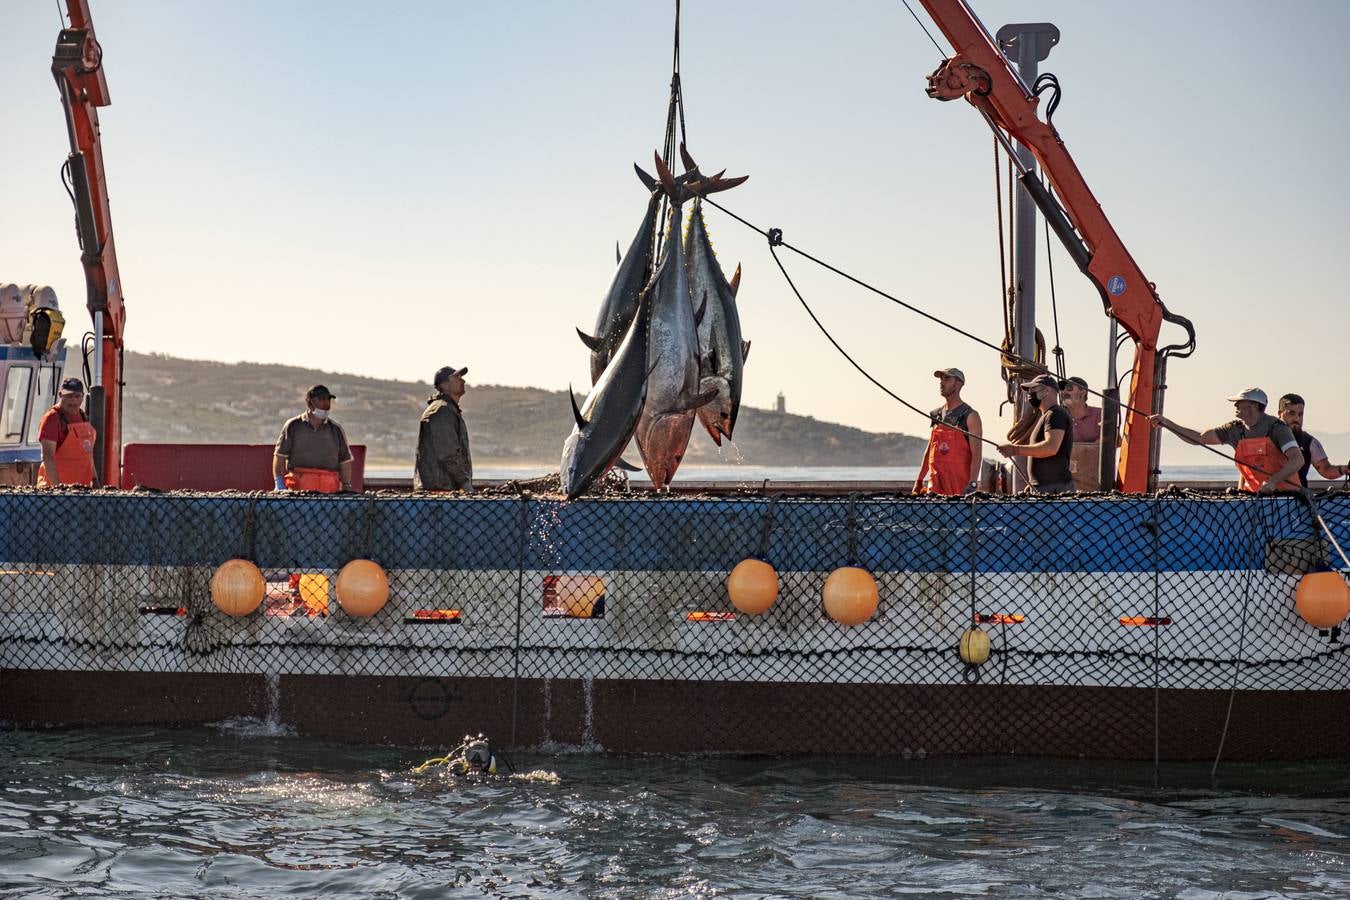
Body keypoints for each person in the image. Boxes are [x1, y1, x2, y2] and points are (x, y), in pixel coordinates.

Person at [1150, 388, 1302, 493]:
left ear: (1255, 406)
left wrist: (1272, 482)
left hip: (1286, 499)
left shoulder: (1278, 428)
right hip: (1255, 499)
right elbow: (1199, 438)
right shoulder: (1233, 429)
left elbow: (1297, 460)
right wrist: (1167, 423)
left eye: (1240, 402)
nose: (1235, 405)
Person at [997, 373, 1075, 493]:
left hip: (1054, 489)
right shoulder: (1048, 415)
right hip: (1046, 488)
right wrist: (1034, 483)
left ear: (1047, 391)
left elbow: (1051, 447)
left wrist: (1015, 450)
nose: (1030, 393)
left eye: (1034, 389)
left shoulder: (1055, 414)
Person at [913, 367, 983, 495]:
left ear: (958, 383)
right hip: (936, 485)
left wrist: (973, 483)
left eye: (947, 379)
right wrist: (919, 480)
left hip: (959, 486)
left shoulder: (970, 416)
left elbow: (977, 454)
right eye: (940, 379)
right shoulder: (936, 415)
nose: (941, 382)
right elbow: (929, 451)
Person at [272, 384, 353, 492]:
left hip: (329, 493)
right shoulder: (293, 426)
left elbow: (345, 461)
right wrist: (279, 484)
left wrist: (346, 486)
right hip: (298, 493)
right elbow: (280, 457)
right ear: (309, 403)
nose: (326, 404)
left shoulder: (336, 430)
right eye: (321, 399)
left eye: (328, 399)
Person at [414, 365, 473, 492]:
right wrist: (465, 484)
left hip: (444, 492)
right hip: (439, 492)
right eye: (457, 378)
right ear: (444, 385)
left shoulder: (448, 409)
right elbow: (448, 454)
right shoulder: (442, 411)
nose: (463, 381)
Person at [1277, 393, 1348, 486]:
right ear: (1280, 413)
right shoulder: (1267, 437)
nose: (1296, 419)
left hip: (1298, 497)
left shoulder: (1309, 442)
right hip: (1267, 496)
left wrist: (1344, 469)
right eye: (1292, 413)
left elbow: (1326, 470)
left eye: (1300, 414)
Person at [36, 377, 96, 487]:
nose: (73, 401)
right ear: (60, 395)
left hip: (83, 492)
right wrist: (59, 490)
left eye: (77, 396)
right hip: (53, 495)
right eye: (68, 396)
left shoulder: (83, 417)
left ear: (82, 397)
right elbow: (47, 457)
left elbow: (89, 455)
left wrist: (95, 481)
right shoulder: (51, 419)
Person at [1060, 375, 1102, 492]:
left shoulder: (1100, 414)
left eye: (1068, 388)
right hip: (1064, 487)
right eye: (1062, 389)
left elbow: (1114, 442)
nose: (1063, 392)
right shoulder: (1057, 416)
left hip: (1094, 486)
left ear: (1082, 392)